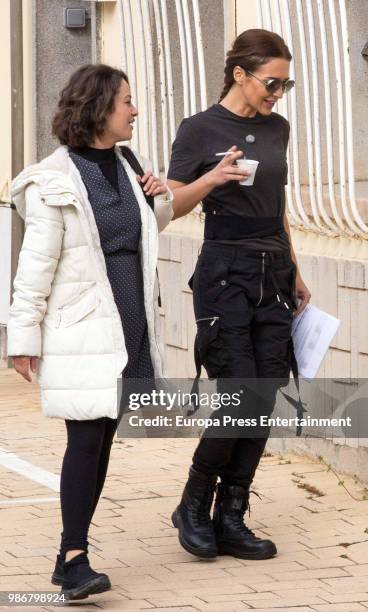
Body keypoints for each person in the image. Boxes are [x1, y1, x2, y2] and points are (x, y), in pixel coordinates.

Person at [7, 64, 173, 599]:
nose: (135, 109)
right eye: (127, 100)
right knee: (84, 439)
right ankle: (74, 558)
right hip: (81, 326)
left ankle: (68, 555)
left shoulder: (128, 162)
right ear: (100, 107)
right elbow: (34, 268)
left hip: (129, 322)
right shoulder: (53, 179)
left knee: (100, 440)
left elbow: (144, 230)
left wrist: (158, 194)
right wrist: (22, 340)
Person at [167, 29, 311, 560]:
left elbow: (278, 205)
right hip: (224, 270)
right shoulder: (198, 129)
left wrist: (292, 267)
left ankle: (231, 516)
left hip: (272, 268)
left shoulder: (279, 128)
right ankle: (193, 502)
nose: (278, 93)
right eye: (272, 82)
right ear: (239, 75)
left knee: (265, 394)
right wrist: (214, 179)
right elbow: (172, 205)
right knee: (239, 393)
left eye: (285, 83)